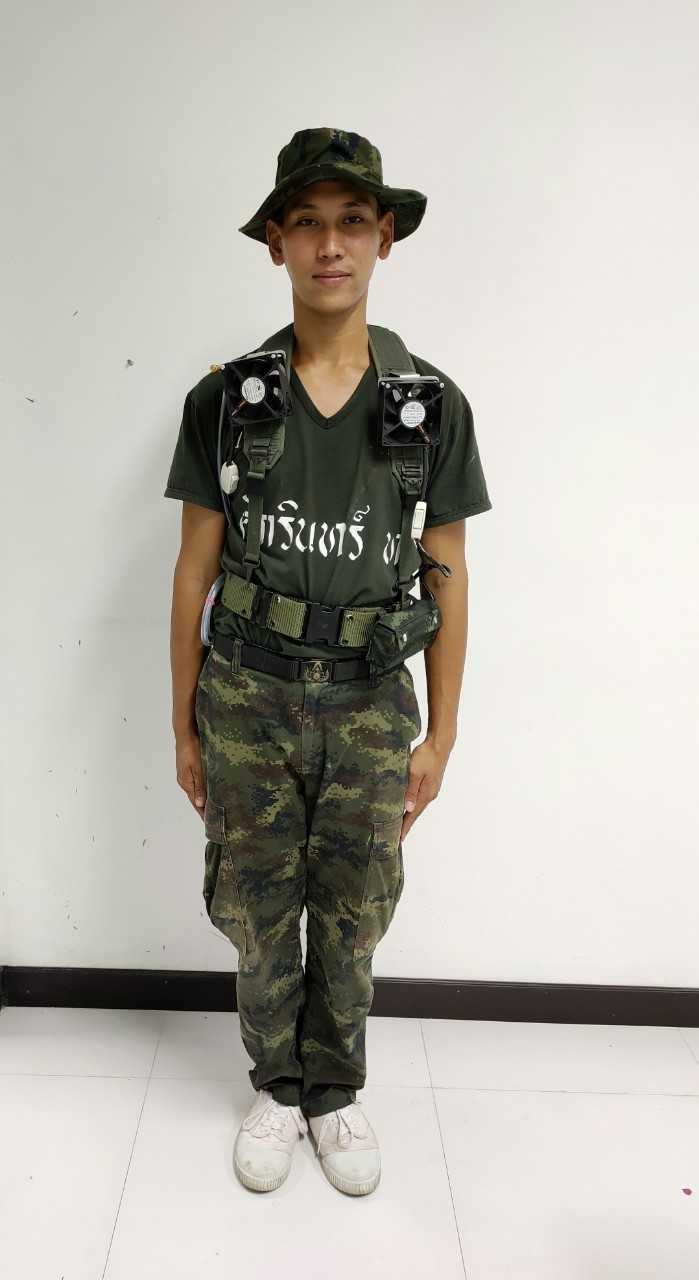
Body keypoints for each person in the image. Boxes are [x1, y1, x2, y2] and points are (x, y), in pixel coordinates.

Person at [164, 127, 492, 1196]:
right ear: (275, 243)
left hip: (368, 702)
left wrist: (442, 735)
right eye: (306, 222)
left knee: (354, 908)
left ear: (385, 235)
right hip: (246, 694)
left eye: (353, 220)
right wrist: (183, 724)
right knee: (256, 906)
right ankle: (277, 1083)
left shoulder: (428, 407)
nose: (330, 244)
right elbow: (192, 571)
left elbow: (449, 575)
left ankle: (334, 1091)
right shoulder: (228, 402)